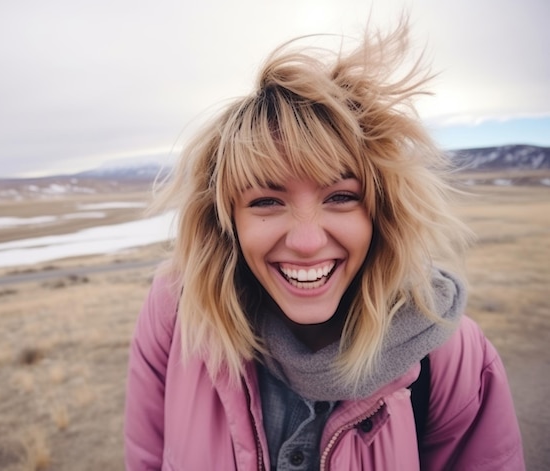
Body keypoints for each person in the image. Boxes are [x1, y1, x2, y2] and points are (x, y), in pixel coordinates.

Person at [124, 20, 525, 470]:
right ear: (226, 222)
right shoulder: (178, 316)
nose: (308, 241)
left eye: (340, 197)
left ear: (381, 211)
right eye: (267, 201)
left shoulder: (453, 357)